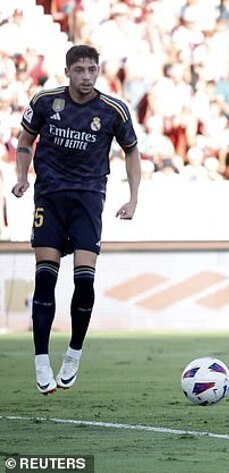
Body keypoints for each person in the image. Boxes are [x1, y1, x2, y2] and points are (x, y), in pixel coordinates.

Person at [12, 45, 141, 395]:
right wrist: (22, 176)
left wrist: (133, 198)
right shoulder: (45, 102)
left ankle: (73, 353)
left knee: (84, 281)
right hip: (50, 198)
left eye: (92, 70)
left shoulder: (113, 110)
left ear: (98, 71)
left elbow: (132, 151)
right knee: (45, 278)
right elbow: (25, 140)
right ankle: (41, 361)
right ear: (67, 71)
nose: (86, 76)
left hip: (88, 199)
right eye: (80, 70)